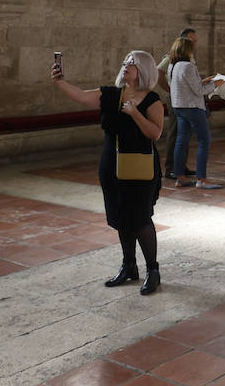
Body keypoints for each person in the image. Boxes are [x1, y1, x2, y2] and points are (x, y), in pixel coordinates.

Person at [53, 49, 166, 295]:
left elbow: (155, 133)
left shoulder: (152, 99)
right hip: (111, 163)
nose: (126, 65)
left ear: (143, 70)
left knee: (139, 217)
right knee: (119, 216)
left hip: (139, 164)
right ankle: (129, 267)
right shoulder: (111, 95)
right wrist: (60, 81)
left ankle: (153, 271)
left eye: (132, 63)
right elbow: (82, 97)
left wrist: (135, 113)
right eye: (125, 61)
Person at [167, 35, 219, 189]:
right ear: (186, 50)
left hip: (179, 106)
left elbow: (185, 85)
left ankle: (180, 177)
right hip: (192, 107)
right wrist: (215, 84)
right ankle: (201, 179)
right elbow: (199, 91)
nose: (193, 52)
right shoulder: (188, 66)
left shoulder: (173, 66)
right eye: (192, 49)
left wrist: (205, 80)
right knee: (204, 140)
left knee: (181, 140)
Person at [157, 27, 198, 179]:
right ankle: (170, 168)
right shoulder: (173, 56)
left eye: (195, 40)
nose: (194, 43)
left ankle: (181, 165)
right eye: (191, 40)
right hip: (175, 98)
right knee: (175, 133)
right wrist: (169, 89)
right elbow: (159, 72)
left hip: (186, 98)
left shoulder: (189, 56)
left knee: (185, 132)